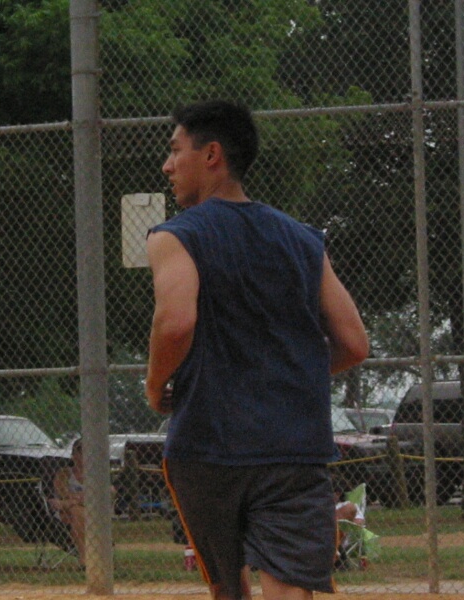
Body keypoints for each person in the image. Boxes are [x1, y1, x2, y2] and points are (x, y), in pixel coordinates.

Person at [145, 99, 369, 600]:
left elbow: (176, 322)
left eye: (175, 151)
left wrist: (156, 384)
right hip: (292, 448)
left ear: (212, 155)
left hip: (206, 444)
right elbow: (354, 344)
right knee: (290, 589)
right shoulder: (303, 241)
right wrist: (289, 376)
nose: (167, 165)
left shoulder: (175, 237)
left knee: (229, 590)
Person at [49, 438, 86, 568]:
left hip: (89, 511)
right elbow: (63, 493)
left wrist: (68, 502)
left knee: (77, 511)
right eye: (80, 452)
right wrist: (79, 499)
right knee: (76, 511)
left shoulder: (96, 474)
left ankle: (84, 556)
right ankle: (84, 556)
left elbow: (105, 493)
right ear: (74, 455)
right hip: (66, 513)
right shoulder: (64, 473)